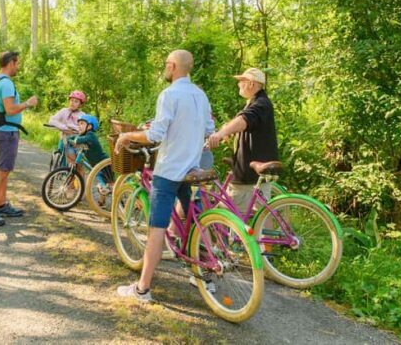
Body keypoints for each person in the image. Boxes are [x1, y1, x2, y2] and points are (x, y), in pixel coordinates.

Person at [114, 49, 214, 302]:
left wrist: (127, 135)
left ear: (173, 66)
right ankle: (204, 276)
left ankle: (142, 289)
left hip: (169, 171)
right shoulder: (201, 95)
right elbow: (208, 129)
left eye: (167, 64)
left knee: (157, 228)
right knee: (197, 221)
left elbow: (155, 135)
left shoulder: (169, 94)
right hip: (192, 170)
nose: (165, 68)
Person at [207, 67, 279, 214]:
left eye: (242, 81)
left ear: (251, 83)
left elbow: (244, 120)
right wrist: (227, 129)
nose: (239, 84)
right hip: (252, 172)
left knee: (224, 215)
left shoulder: (261, 104)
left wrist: (220, 134)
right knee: (261, 214)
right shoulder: (257, 102)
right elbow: (242, 120)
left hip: (248, 175)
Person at [0, 51, 38, 227]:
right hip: (6, 132)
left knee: (3, 170)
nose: (18, 66)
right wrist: (28, 103)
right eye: (17, 63)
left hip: (2, 130)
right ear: (11, 63)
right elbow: (10, 109)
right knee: (0, 172)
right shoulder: (6, 83)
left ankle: (1, 205)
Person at [68, 114, 111, 194]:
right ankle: (102, 195)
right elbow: (75, 137)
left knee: (109, 182)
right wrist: (70, 138)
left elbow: (81, 139)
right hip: (96, 164)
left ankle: (113, 192)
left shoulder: (90, 135)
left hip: (103, 163)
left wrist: (76, 140)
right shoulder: (83, 135)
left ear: (89, 126)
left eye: (82, 123)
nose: (79, 126)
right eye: (78, 124)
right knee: (100, 179)